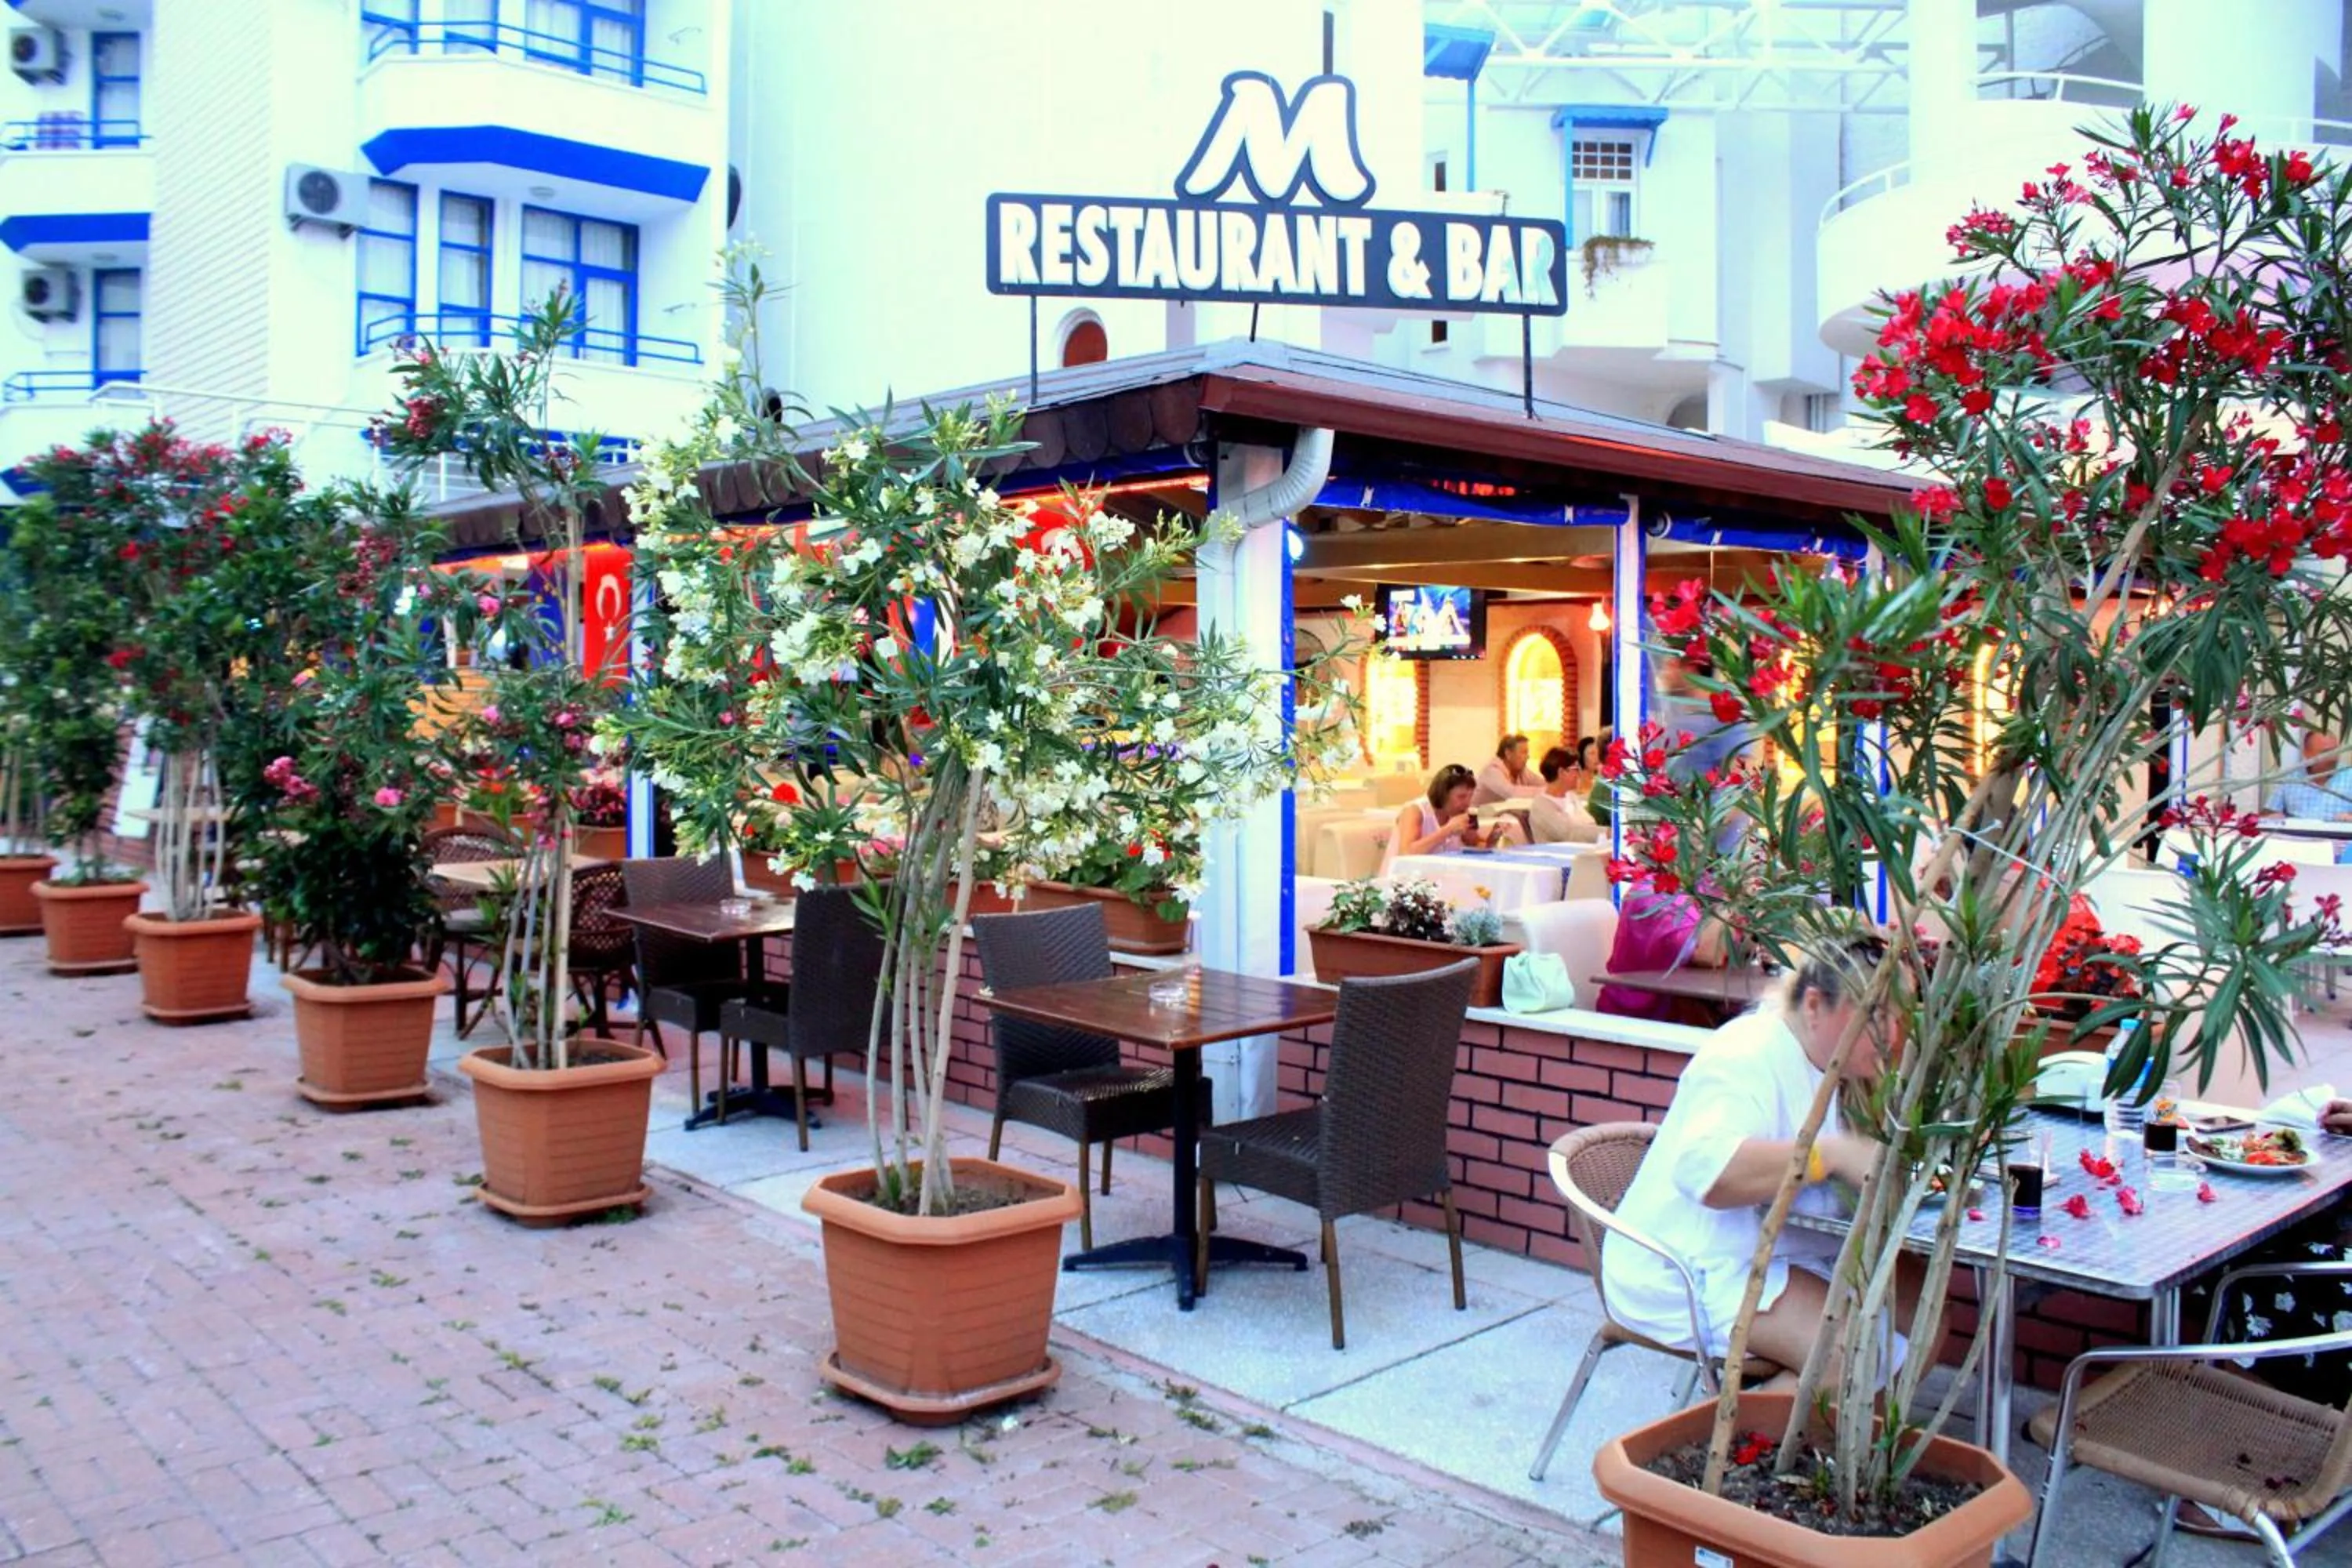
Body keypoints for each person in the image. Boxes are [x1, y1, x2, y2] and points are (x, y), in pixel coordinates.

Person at [1601, 938, 1917, 1381]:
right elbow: (1708, 1171)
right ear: (1814, 1005)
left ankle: (1804, 1434)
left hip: (1781, 1249)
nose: (1893, 1037)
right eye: (1878, 1017)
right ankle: (1722, 1446)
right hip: (1688, 1267)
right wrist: (1833, 1155)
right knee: (1853, 1361)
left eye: (1899, 1018)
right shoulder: (1747, 1053)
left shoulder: (1839, 1065)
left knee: (1922, 1314)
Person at [1592, 891, 1729, 1022]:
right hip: (1642, 1025)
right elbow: (1708, 954)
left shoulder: (1707, 886)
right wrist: (1736, 899)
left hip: (1693, 1012)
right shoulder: (1653, 894)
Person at [1382, 763, 1523, 871]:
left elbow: (1477, 845)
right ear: (1443, 794)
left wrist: (1492, 839)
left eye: (1470, 796)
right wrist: (1447, 830)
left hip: (1441, 878)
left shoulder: (1463, 814)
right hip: (1407, 885)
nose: (1467, 803)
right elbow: (1406, 854)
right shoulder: (1415, 810)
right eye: (1461, 797)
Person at [2271, 729, 2352, 864]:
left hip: (2341, 856)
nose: (2333, 758)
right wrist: (2274, 818)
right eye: (2326, 753)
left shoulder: (2349, 776)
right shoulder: (2291, 778)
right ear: (2307, 754)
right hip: (2296, 852)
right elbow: (2268, 816)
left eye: (2336, 751)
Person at [1528, 745, 1600, 844]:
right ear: (1561, 772)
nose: (1579, 774)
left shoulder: (1571, 797)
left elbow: (1590, 823)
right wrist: (1607, 833)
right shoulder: (1541, 806)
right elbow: (1569, 833)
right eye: (1575, 769)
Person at [1474, 734, 1544, 807]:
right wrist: (1546, 791)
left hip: (1504, 816)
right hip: (1481, 816)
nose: (1528, 757)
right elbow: (1511, 793)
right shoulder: (1492, 771)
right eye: (1523, 752)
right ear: (1508, 754)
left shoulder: (1522, 771)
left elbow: (1544, 784)